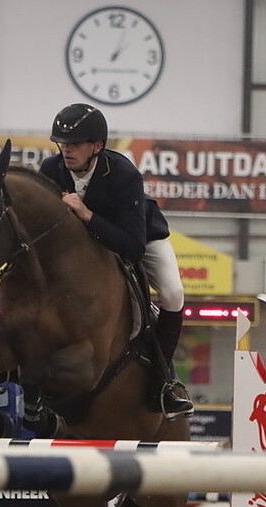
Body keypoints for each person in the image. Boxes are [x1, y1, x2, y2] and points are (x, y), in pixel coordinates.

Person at [39, 103, 193, 419]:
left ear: (97, 146)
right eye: (62, 143)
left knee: (173, 294)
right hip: (81, 246)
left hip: (139, 236)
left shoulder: (123, 175)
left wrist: (85, 214)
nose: (66, 150)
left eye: (75, 144)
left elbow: (132, 247)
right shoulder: (50, 171)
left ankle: (162, 383)